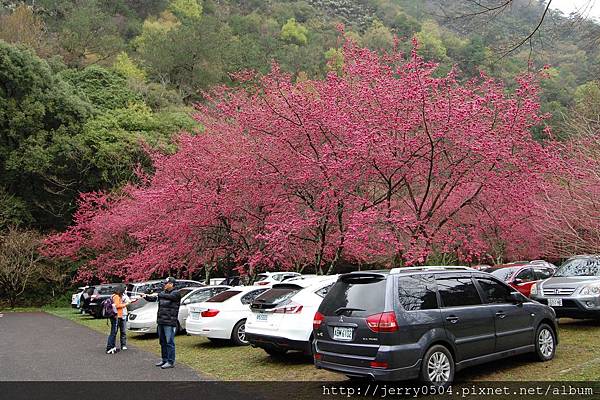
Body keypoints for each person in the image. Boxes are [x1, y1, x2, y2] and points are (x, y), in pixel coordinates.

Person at [141, 277, 181, 369]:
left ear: (171, 284)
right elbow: (154, 299)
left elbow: (169, 297)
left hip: (170, 322)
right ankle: (164, 359)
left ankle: (170, 362)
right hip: (161, 321)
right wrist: (146, 296)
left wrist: (158, 294)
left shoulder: (176, 293)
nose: (165, 285)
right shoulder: (163, 293)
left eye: (166, 283)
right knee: (162, 342)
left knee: (169, 342)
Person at [106, 285, 129, 354]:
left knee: (114, 332)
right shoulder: (116, 296)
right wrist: (125, 304)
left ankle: (112, 347)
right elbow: (117, 305)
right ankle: (110, 347)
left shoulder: (113, 296)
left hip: (114, 316)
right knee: (113, 332)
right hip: (116, 316)